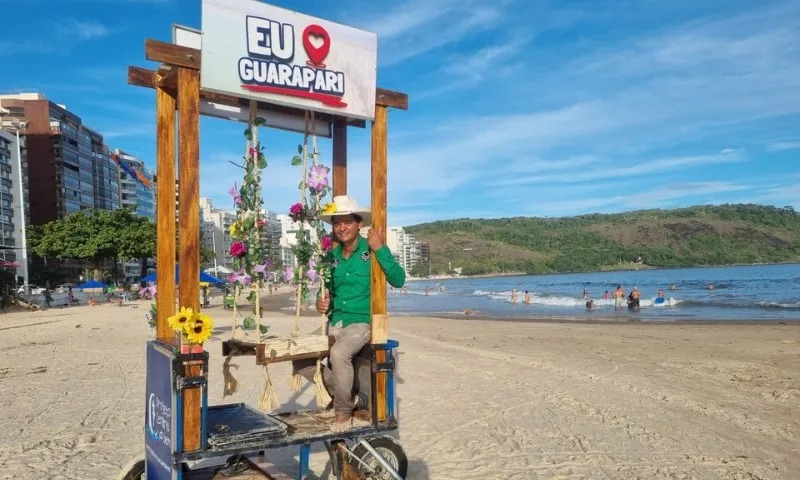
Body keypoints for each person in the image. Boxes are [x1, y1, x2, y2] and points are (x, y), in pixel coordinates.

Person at [292, 195, 405, 432]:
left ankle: (342, 412)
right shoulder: (330, 258)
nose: (342, 228)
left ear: (359, 224)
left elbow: (398, 279)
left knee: (339, 353)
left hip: (361, 323)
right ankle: (347, 395)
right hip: (336, 320)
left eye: (347, 222)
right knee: (299, 354)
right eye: (337, 223)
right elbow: (327, 294)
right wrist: (320, 303)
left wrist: (381, 249)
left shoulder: (372, 251)